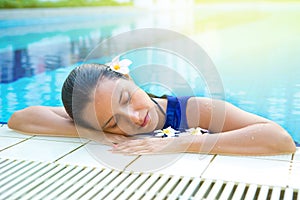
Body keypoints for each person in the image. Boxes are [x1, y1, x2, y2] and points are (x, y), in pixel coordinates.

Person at [8, 63, 296, 156]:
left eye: (126, 98)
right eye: (112, 122)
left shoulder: (193, 110)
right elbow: (20, 118)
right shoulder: (97, 119)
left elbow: (280, 139)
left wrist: (186, 142)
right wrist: (97, 134)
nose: (133, 118)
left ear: (130, 78)